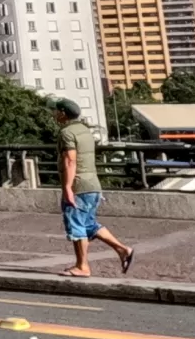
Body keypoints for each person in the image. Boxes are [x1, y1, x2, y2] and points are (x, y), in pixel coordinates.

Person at [54, 99, 135, 276]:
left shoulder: (67, 133)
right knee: (89, 224)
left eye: (55, 111)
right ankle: (123, 250)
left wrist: (68, 187)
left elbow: (70, 160)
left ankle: (82, 266)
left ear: (62, 113)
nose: (54, 114)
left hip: (79, 185)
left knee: (76, 225)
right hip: (93, 185)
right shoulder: (85, 130)